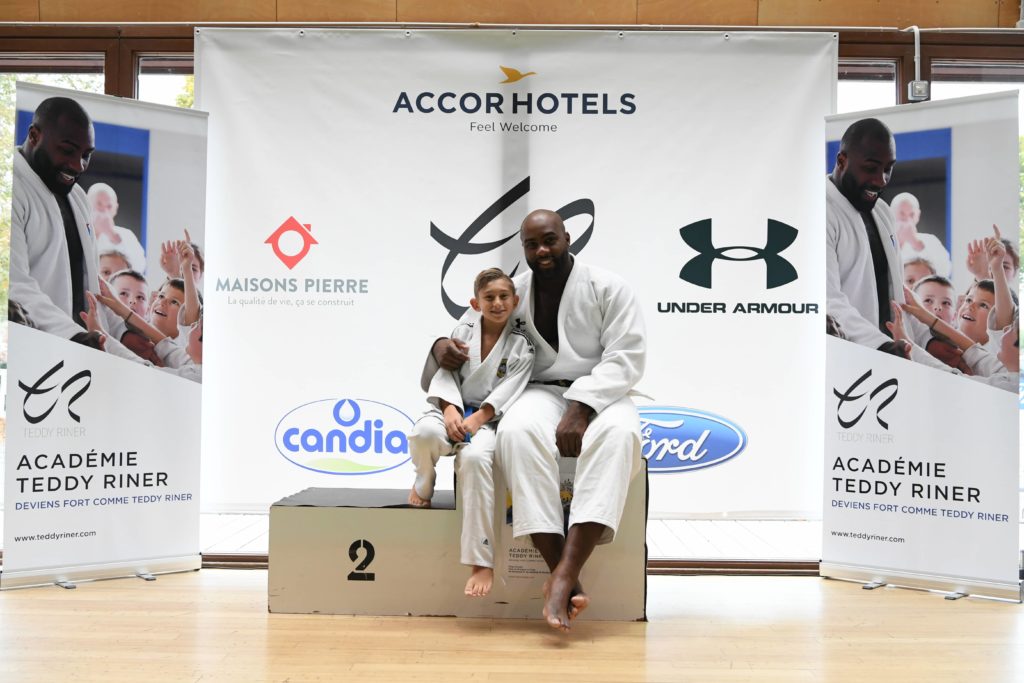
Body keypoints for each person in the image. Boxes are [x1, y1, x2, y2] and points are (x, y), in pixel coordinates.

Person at [424, 209, 646, 631]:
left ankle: (563, 576)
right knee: (516, 431)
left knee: (619, 435)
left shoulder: (608, 287)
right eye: (532, 244)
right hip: (539, 389)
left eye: (550, 240)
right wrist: (439, 346)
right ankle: (562, 573)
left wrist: (582, 406)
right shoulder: (515, 291)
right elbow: (468, 329)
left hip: (603, 391)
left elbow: (627, 358)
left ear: (568, 238)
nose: (542, 250)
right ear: (523, 249)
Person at [408, 268, 534, 598]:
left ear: (515, 300)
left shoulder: (522, 346)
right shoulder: (462, 332)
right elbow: (446, 375)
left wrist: (479, 418)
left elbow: (511, 388)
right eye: (489, 297)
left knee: (476, 460)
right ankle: (424, 480)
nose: (497, 303)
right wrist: (450, 409)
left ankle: (481, 561)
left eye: (504, 296)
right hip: (452, 407)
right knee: (423, 434)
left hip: (487, 420)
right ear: (475, 304)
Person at [826, 118, 944, 366]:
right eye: (871, 168)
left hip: (893, 357)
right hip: (846, 362)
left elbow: (896, 295)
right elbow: (828, 299)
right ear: (842, 161)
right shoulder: (818, 209)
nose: (881, 180)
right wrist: (880, 345)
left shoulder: (882, 211)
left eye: (888, 168)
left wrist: (928, 341)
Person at [9, 96, 104, 347]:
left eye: (86, 155)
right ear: (34, 135)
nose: (78, 165)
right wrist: (72, 335)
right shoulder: (9, 188)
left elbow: (91, 284)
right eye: (68, 150)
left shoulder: (79, 197)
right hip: (31, 350)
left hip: (81, 349)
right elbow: (13, 283)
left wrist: (124, 333)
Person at [86, 182, 146, 273]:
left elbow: (139, 267)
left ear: (115, 208)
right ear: (87, 204)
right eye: (99, 204)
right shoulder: (76, 231)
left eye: (109, 206)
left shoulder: (126, 235)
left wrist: (113, 236)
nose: (104, 211)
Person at [890, 191, 951, 277]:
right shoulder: (881, 240)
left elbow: (944, 271)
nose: (907, 219)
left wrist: (916, 244)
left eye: (912, 214)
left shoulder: (931, 241)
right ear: (891, 214)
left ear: (918, 215)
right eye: (902, 214)